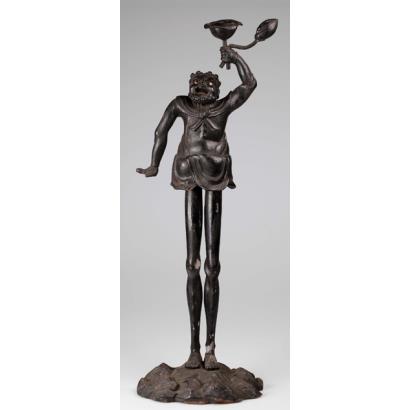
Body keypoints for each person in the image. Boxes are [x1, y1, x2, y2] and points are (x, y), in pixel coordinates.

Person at [137, 46, 257, 370]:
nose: (201, 89)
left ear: (214, 89)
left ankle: (208, 348)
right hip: (190, 173)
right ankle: (196, 349)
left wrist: (234, 56)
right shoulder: (185, 105)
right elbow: (161, 131)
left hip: (212, 174)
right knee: (197, 263)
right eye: (198, 85)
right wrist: (154, 164)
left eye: (206, 85)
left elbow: (249, 84)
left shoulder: (215, 106)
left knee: (208, 264)